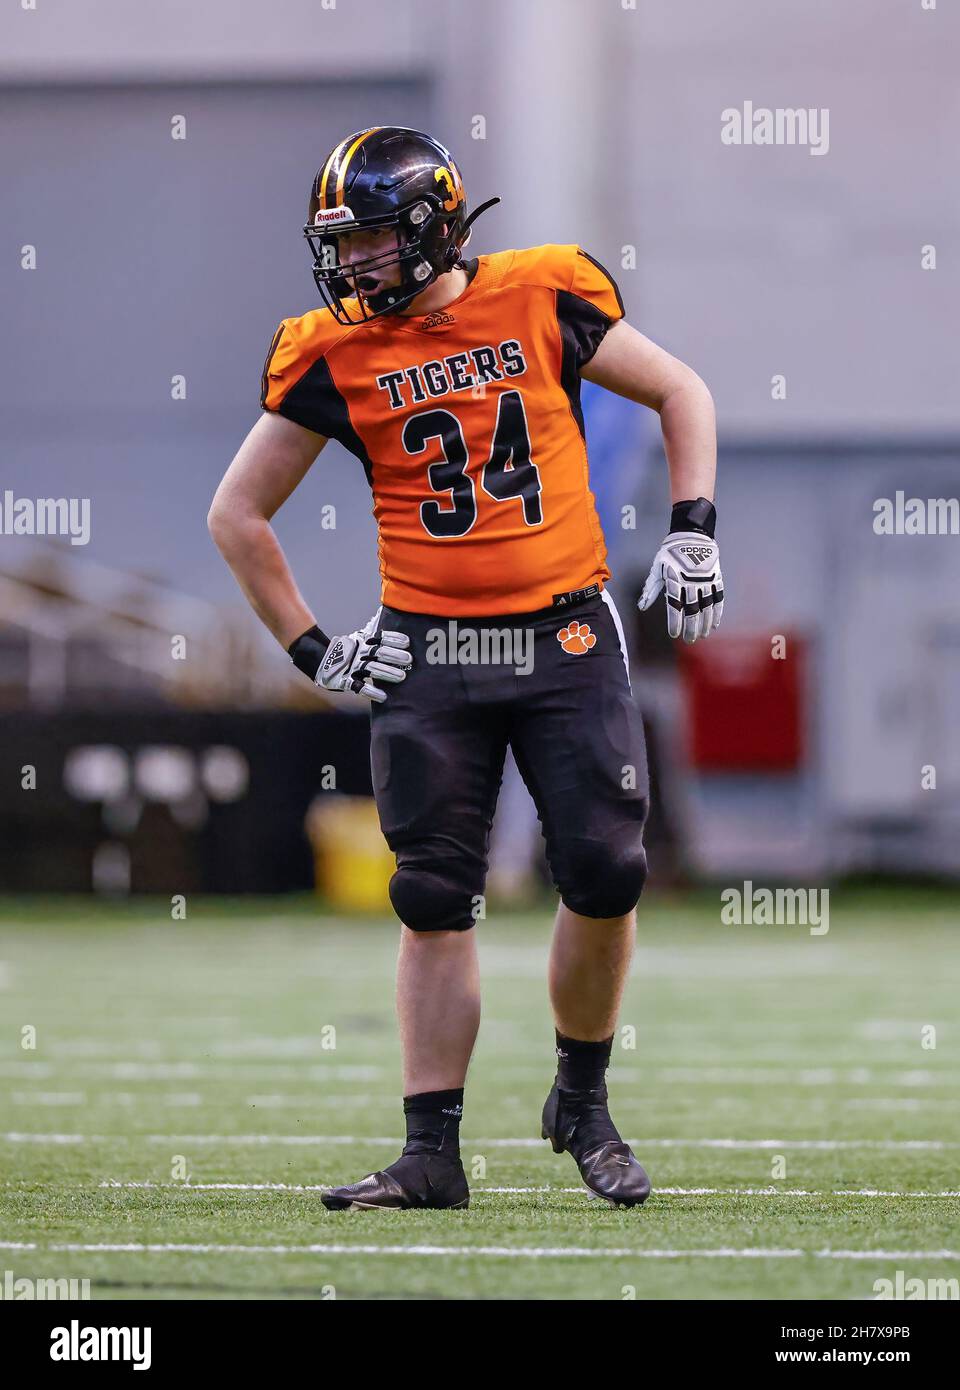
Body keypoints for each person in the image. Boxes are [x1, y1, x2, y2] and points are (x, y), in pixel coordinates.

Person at [208, 126, 723, 1211]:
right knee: (433, 893)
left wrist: (693, 530)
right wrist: (314, 646)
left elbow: (683, 391)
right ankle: (430, 1153)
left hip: (564, 631)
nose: (352, 267)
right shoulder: (330, 351)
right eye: (339, 248)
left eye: (372, 243)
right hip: (431, 648)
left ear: (436, 223)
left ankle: (580, 1099)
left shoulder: (542, 292)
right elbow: (238, 514)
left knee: (606, 869)